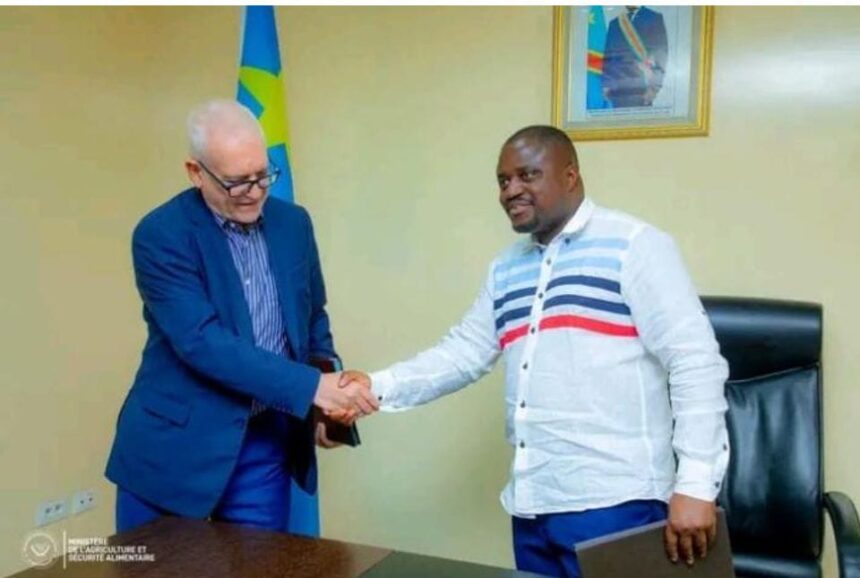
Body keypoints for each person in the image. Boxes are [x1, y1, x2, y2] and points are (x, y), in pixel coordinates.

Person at [341, 125, 729, 578]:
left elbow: (695, 361)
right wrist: (374, 386)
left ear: (570, 176)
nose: (511, 190)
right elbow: (463, 352)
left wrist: (696, 484)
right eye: (503, 180)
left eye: (527, 175)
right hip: (533, 507)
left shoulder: (634, 246)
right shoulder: (507, 268)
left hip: (617, 503)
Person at [105, 100, 377, 535]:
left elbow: (312, 318)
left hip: (263, 442)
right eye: (236, 182)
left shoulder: (294, 224)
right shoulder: (160, 235)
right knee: (157, 565)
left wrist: (324, 406)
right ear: (196, 172)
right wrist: (313, 389)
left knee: (261, 564)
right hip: (174, 447)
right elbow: (203, 342)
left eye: (262, 175)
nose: (254, 191)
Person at [602, 6, 668, 108]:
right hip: (617, 90)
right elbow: (608, 57)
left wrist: (654, 89)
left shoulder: (654, 18)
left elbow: (661, 55)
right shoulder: (614, 23)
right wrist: (606, 85)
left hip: (642, 88)